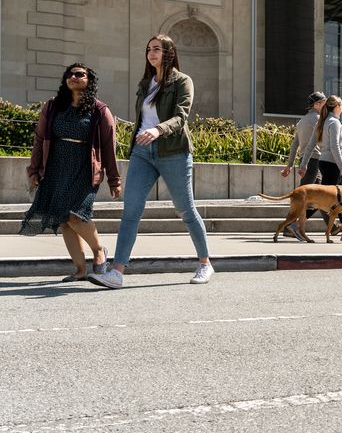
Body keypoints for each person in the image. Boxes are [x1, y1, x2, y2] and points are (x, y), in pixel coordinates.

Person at [89, 34, 213, 288]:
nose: (151, 53)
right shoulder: (146, 84)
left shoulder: (182, 81)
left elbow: (181, 116)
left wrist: (158, 129)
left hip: (173, 151)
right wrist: (141, 138)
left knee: (186, 210)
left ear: (169, 52)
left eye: (156, 49)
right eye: (148, 49)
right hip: (143, 153)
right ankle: (117, 272)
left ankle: (205, 263)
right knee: (131, 211)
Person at [21, 63, 122, 281]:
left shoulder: (100, 110)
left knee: (77, 216)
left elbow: (108, 147)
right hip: (56, 167)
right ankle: (80, 269)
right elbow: (39, 140)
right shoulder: (52, 107)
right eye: (69, 74)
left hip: (84, 170)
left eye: (79, 74)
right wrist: (34, 169)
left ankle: (98, 250)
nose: (73, 77)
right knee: (64, 219)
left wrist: (114, 180)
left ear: (89, 80)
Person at [302, 94, 342, 239]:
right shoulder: (334, 122)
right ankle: (295, 223)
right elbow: (335, 146)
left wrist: (303, 164)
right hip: (333, 164)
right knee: (323, 199)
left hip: (324, 162)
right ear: (337, 107)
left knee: (340, 199)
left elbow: (310, 145)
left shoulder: (323, 122)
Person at [280, 91, 326, 241]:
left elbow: (294, 145)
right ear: (317, 104)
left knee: (321, 197)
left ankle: (333, 227)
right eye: (324, 102)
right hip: (313, 161)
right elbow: (321, 142)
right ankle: (289, 226)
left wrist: (289, 165)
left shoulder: (302, 121)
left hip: (306, 161)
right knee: (302, 197)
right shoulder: (320, 120)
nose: (326, 105)